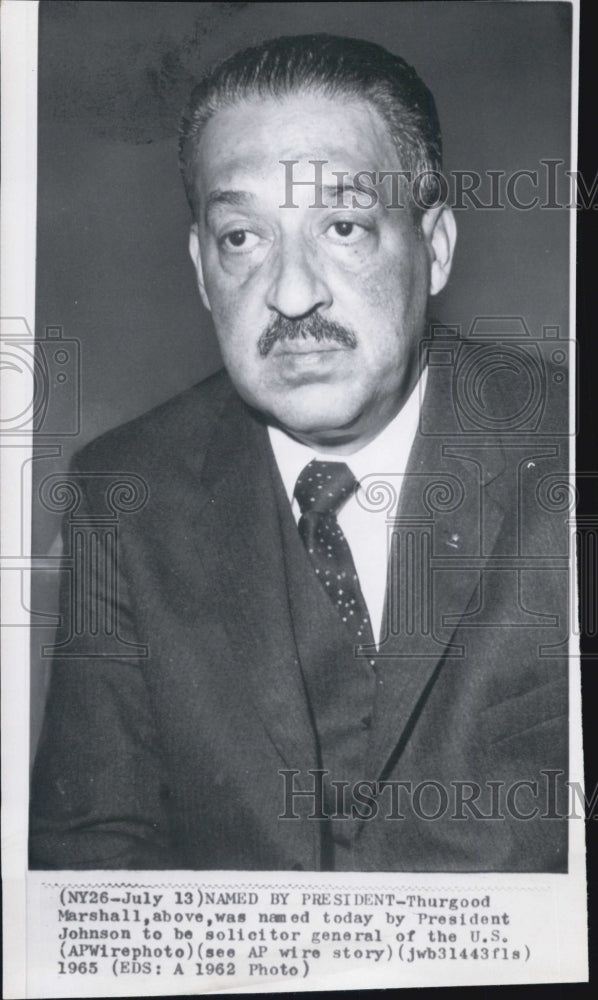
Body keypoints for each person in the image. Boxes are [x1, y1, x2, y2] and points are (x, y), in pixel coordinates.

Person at [29, 33, 568, 872]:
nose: (289, 293)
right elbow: (91, 864)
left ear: (435, 250)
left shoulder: (568, 454)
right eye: (242, 238)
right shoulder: (122, 493)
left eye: (343, 226)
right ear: (203, 270)